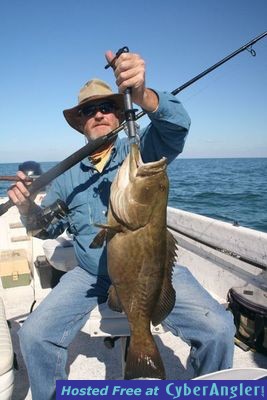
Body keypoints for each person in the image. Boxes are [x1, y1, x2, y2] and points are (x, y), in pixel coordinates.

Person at [8, 50, 235, 399]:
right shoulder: (66, 175)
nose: (98, 114)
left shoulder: (139, 149)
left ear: (119, 114)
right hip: (89, 273)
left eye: (107, 107)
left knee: (218, 329)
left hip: (151, 269)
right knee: (34, 334)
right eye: (88, 111)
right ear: (80, 122)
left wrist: (144, 93)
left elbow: (175, 130)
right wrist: (27, 210)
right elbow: (47, 229)